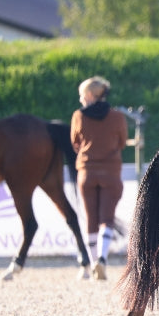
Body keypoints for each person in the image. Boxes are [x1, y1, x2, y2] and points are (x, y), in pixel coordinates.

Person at [70, 76, 128, 280]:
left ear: (88, 95)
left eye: (81, 96)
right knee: (107, 219)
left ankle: (94, 261)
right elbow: (122, 142)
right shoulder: (118, 117)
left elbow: (75, 143)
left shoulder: (78, 116)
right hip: (111, 172)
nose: (80, 100)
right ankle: (102, 259)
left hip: (86, 171)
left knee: (91, 219)